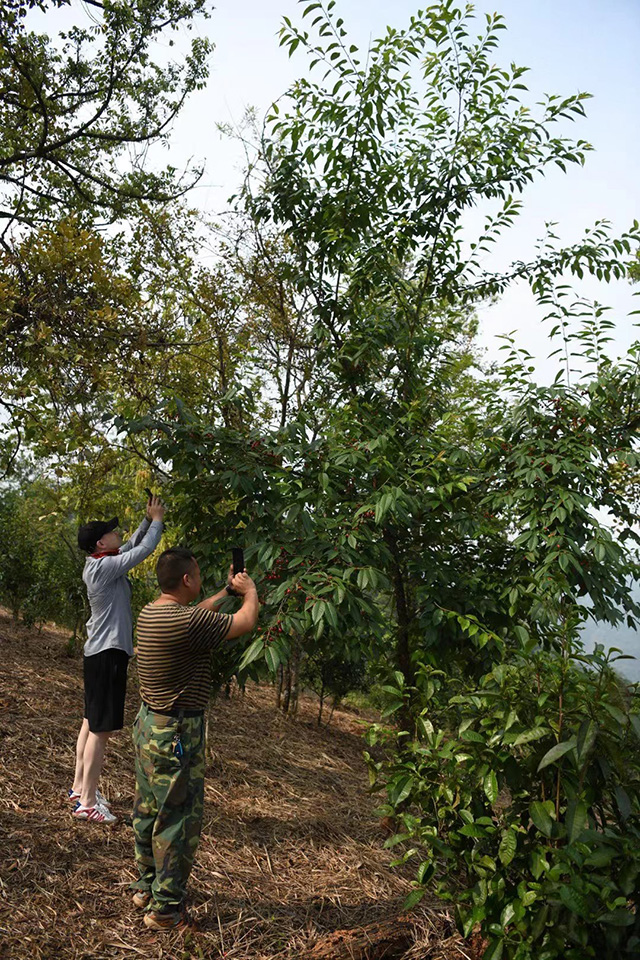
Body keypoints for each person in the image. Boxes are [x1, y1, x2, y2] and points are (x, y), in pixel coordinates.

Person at [130, 547, 259, 930]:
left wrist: (222, 593)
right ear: (187, 579)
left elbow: (197, 613)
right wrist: (249, 591)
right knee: (178, 819)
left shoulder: (153, 612)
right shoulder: (185, 624)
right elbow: (246, 622)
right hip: (177, 733)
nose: (200, 581)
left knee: (149, 809)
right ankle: (166, 908)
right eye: (198, 576)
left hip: (149, 726)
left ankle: (147, 885)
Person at [70, 496, 166, 823]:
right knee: (100, 730)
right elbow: (143, 551)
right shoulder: (104, 568)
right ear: (100, 542)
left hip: (100, 653)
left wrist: (144, 520)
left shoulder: (103, 562)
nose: (117, 534)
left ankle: (80, 787)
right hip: (107, 655)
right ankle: (86, 803)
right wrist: (157, 521)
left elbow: (129, 545)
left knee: (90, 722)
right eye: (111, 532)